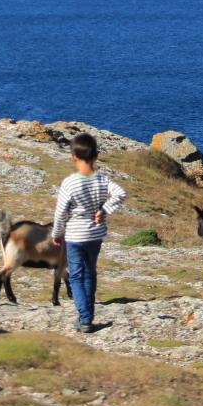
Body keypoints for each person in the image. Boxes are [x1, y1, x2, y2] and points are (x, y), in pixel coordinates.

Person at [52, 132, 126, 333]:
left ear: (73, 157)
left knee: (76, 276)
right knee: (90, 273)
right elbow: (121, 193)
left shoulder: (69, 182)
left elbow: (61, 213)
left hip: (75, 236)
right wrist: (104, 210)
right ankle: (88, 315)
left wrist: (56, 233)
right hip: (95, 235)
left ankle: (84, 318)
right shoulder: (102, 180)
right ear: (96, 155)